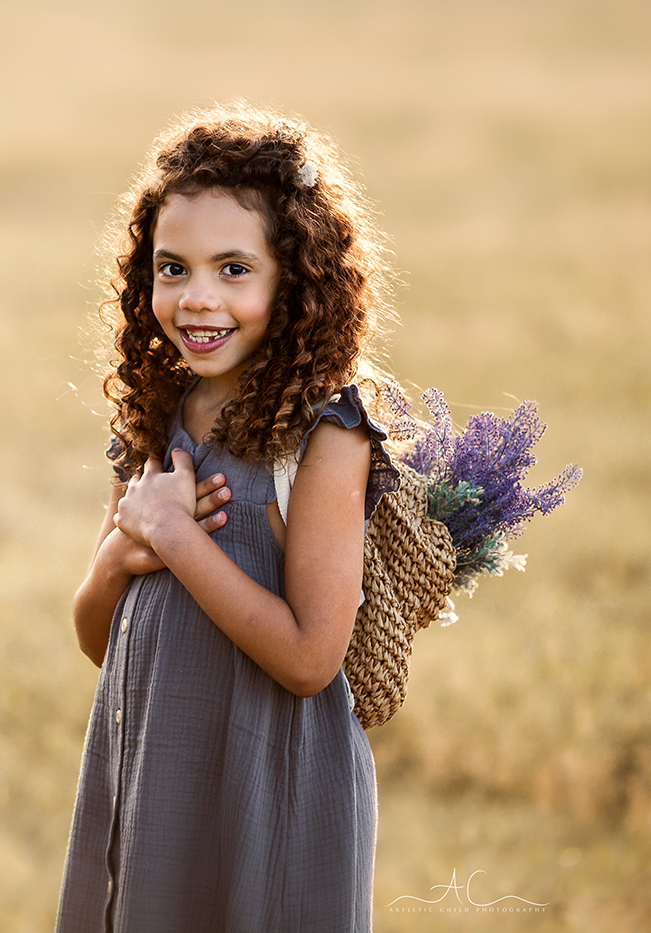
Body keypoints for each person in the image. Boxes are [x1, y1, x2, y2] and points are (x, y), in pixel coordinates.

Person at [57, 104, 403, 932]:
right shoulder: (153, 415)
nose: (197, 298)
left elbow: (313, 658)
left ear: (295, 279)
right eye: (172, 268)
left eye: (234, 269)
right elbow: (101, 637)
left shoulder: (328, 433)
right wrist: (118, 557)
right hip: (152, 779)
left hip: (272, 790)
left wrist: (176, 538)